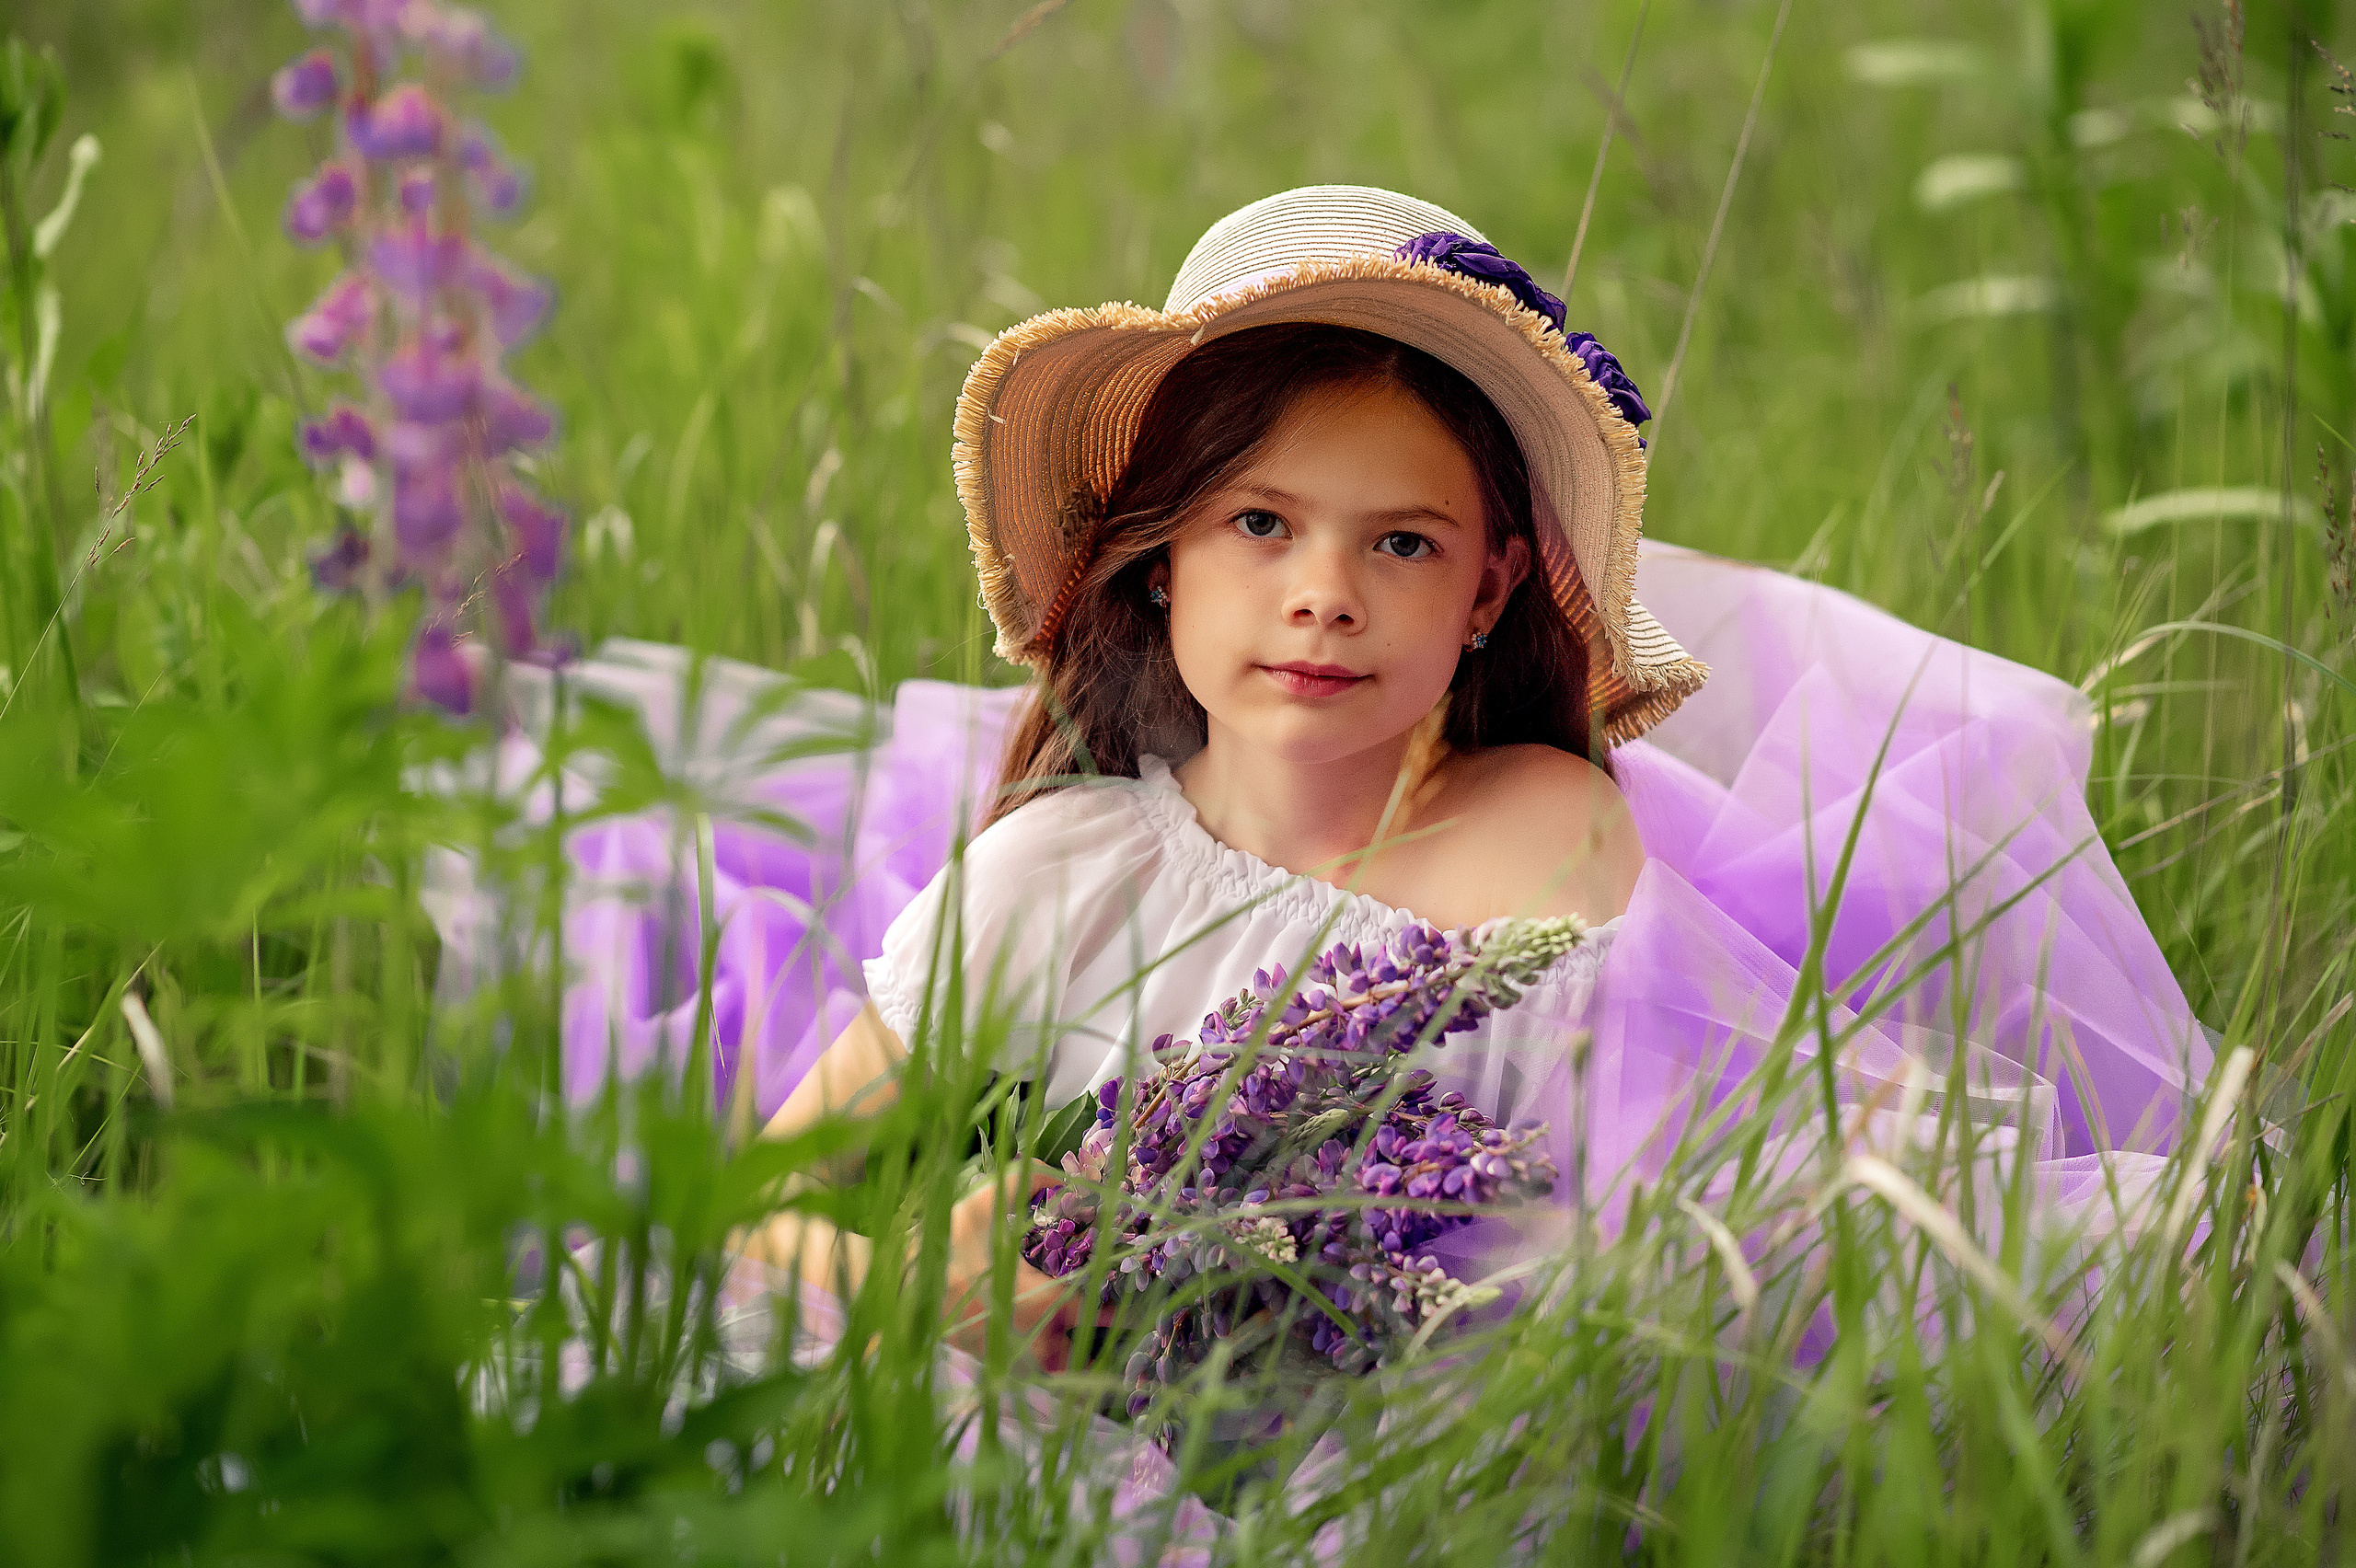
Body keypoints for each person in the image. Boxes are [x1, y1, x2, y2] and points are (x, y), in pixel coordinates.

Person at [641, 186, 2212, 1374]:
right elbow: (760, 1203)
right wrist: (919, 1287)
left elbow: (1706, 1177)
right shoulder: (1055, 877)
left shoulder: (1540, 828)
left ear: (1487, 591)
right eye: (1260, 525)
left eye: (1400, 542)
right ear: (1160, 562)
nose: (1324, 597)